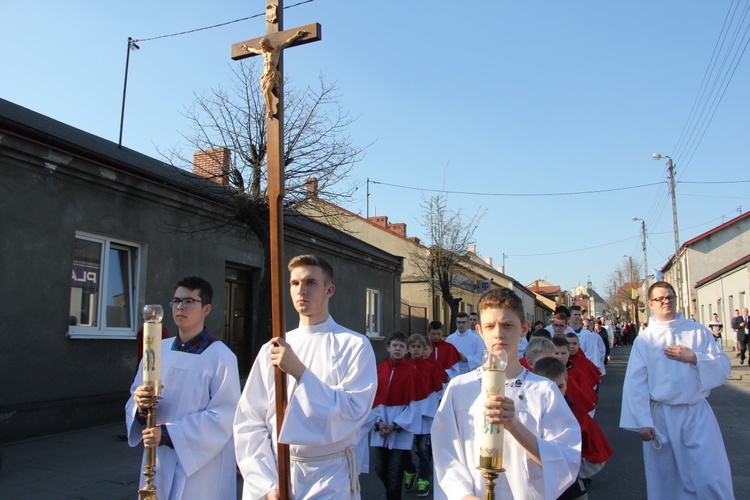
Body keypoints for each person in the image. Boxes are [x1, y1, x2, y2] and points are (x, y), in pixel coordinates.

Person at [234, 254, 377, 499]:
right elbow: (250, 422)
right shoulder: (273, 349)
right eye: (295, 283)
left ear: (328, 290)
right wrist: (267, 484)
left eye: (311, 282)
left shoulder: (355, 346)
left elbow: (353, 412)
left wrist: (301, 373)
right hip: (278, 474)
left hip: (329, 476)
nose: (302, 290)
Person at [432, 287, 581, 499]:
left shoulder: (543, 390)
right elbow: (445, 453)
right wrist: (465, 496)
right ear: (479, 330)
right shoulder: (459, 388)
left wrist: (514, 425)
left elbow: (564, 459)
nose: (499, 333)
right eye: (490, 326)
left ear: (524, 329)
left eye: (507, 325)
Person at [126, 276, 241, 499]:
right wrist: (141, 405)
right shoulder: (157, 349)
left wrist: (169, 434)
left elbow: (224, 416)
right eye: (176, 300)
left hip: (200, 466)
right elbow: (135, 396)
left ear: (206, 309)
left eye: (189, 301)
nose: (180, 306)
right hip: (158, 458)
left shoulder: (220, 356)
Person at [620, 281, 733, 498]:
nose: (666, 302)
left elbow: (722, 366)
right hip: (662, 416)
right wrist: (642, 421)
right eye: (660, 298)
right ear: (651, 303)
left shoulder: (697, 331)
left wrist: (694, 358)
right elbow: (636, 383)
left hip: (696, 413)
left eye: (670, 297)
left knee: (710, 473)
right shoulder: (645, 340)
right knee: (667, 478)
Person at [535, 357, 612, 499]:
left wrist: (573, 472)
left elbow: (599, 454)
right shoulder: (526, 412)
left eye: (560, 386)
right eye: (549, 386)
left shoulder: (578, 415)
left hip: (571, 492)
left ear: (566, 384)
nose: (555, 392)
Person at [370, 332, 425, 500]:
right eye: (395, 345)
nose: (398, 349)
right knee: (380, 469)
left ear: (406, 350)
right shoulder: (378, 369)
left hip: (400, 426)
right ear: (388, 347)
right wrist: (378, 423)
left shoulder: (412, 373)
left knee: (395, 473)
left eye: (402, 346)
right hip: (380, 420)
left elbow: (415, 405)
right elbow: (370, 398)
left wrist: (395, 425)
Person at [402, 334, 445, 497]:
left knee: (423, 450)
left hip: (425, 415)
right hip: (406, 414)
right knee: (403, 449)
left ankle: (423, 479)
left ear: (424, 349)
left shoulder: (430, 367)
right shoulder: (404, 366)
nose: (415, 350)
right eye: (412, 346)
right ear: (408, 348)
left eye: (419, 347)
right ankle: (410, 470)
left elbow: (437, 391)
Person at [240, 30, 308, 119]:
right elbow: (254, 50)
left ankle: (270, 110)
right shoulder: (263, 53)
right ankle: (269, 109)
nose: (263, 47)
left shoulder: (276, 50)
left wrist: (296, 35)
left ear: (267, 44)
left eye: (264, 45)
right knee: (265, 92)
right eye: (262, 46)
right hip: (265, 74)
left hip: (272, 74)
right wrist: (247, 48)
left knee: (267, 90)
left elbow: (287, 42)